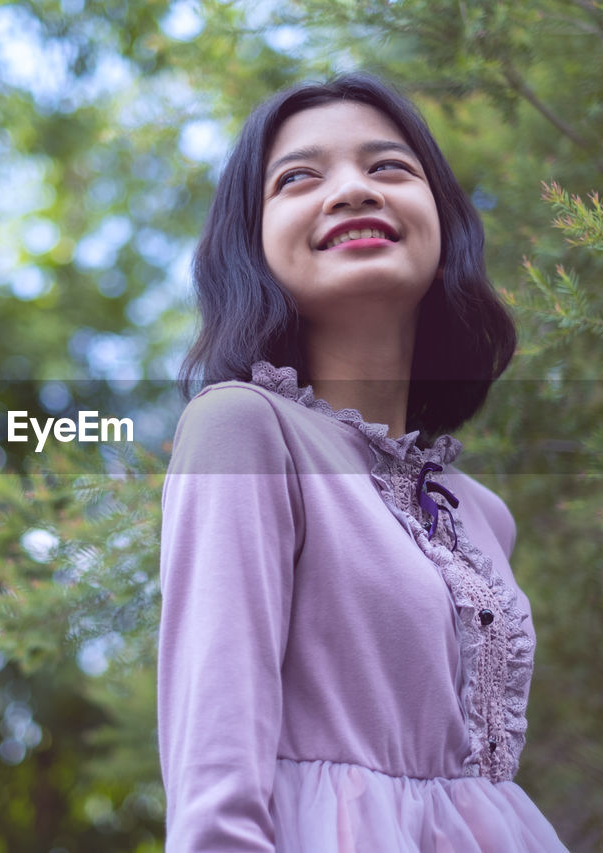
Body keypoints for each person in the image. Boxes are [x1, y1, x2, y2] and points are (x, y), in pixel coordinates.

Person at [156, 73, 569, 851]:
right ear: (254, 243)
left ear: (441, 222)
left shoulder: (481, 515)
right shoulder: (241, 430)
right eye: (298, 177)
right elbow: (211, 788)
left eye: (388, 168)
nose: (351, 191)